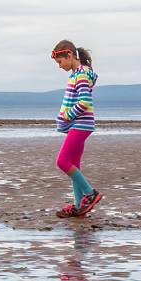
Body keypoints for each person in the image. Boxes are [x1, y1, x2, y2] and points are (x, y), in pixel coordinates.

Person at [50, 40, 103, 218]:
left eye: (60, 62)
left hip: (80, 125)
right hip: (78, 125)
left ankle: (90, 193)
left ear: (70, 55)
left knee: (62, 162)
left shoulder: (81, 75)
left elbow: (84, 101)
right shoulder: (77, 74)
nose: (59, 66)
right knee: (74, 166)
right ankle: (79, 206)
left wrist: (66, 115)